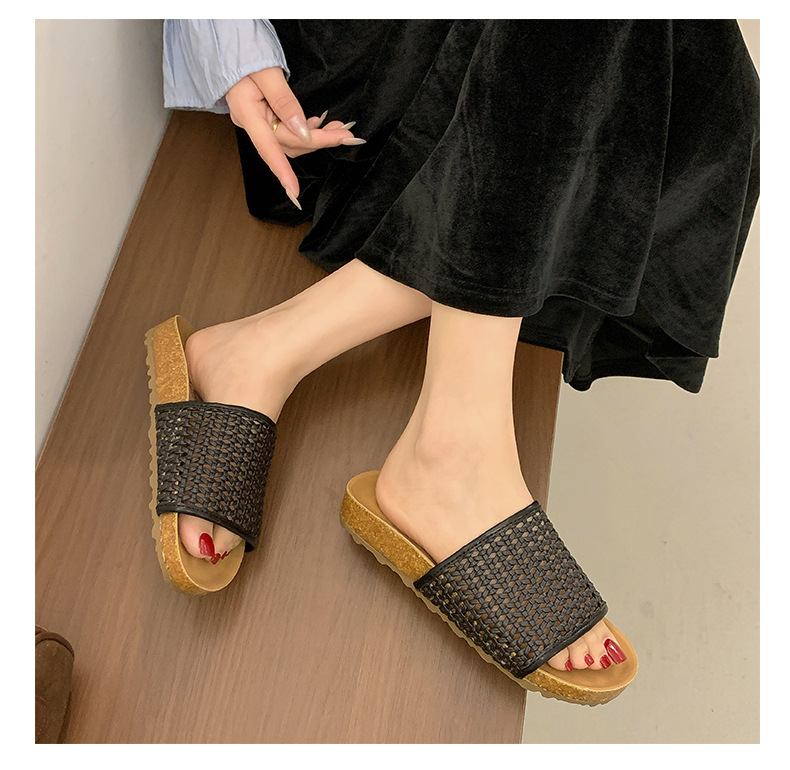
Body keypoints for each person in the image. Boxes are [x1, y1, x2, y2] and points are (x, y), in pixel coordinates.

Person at [151, 19, 759, 702]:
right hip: (333, 98)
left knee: (693, 73)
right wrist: (230, 48)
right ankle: (451, 451)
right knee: (619, 61)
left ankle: (278, 347)